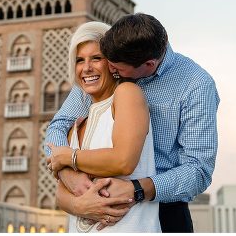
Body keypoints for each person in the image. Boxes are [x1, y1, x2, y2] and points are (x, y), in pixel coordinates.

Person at [46, 13, 219, 233]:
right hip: (93, 201)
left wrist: (136, 189)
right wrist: (71, 177)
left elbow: (198, 171)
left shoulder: (196, 85)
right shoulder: (111, 65)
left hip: (162, 210)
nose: (110, 70)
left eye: (116, 68)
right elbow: (58, 126)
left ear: (148, 64)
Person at [46, 21, 161, 232]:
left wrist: (68, 157)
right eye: (80, 60)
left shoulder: (127, 94)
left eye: (96, 58)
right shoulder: (77, 122)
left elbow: (123, 161)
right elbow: (61, 192)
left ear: (112, 63)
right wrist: (78, 205)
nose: (86, 68)